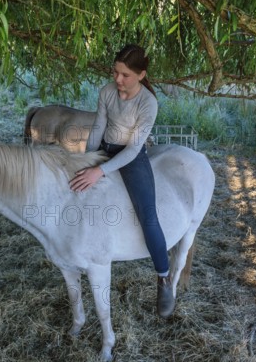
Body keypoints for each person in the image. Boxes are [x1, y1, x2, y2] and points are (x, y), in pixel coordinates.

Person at [69, 44, 175, 318]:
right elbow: (97, 130)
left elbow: (132, 148)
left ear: (141, 75)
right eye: (115, 72)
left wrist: (100, 171)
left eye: (125, 75)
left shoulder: (148, 103)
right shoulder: (107, 91)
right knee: (74, 187)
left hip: (131, 156)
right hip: (104, 148)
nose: (117, 79)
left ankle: (163, 278)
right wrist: (88, 160)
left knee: (148, 215)